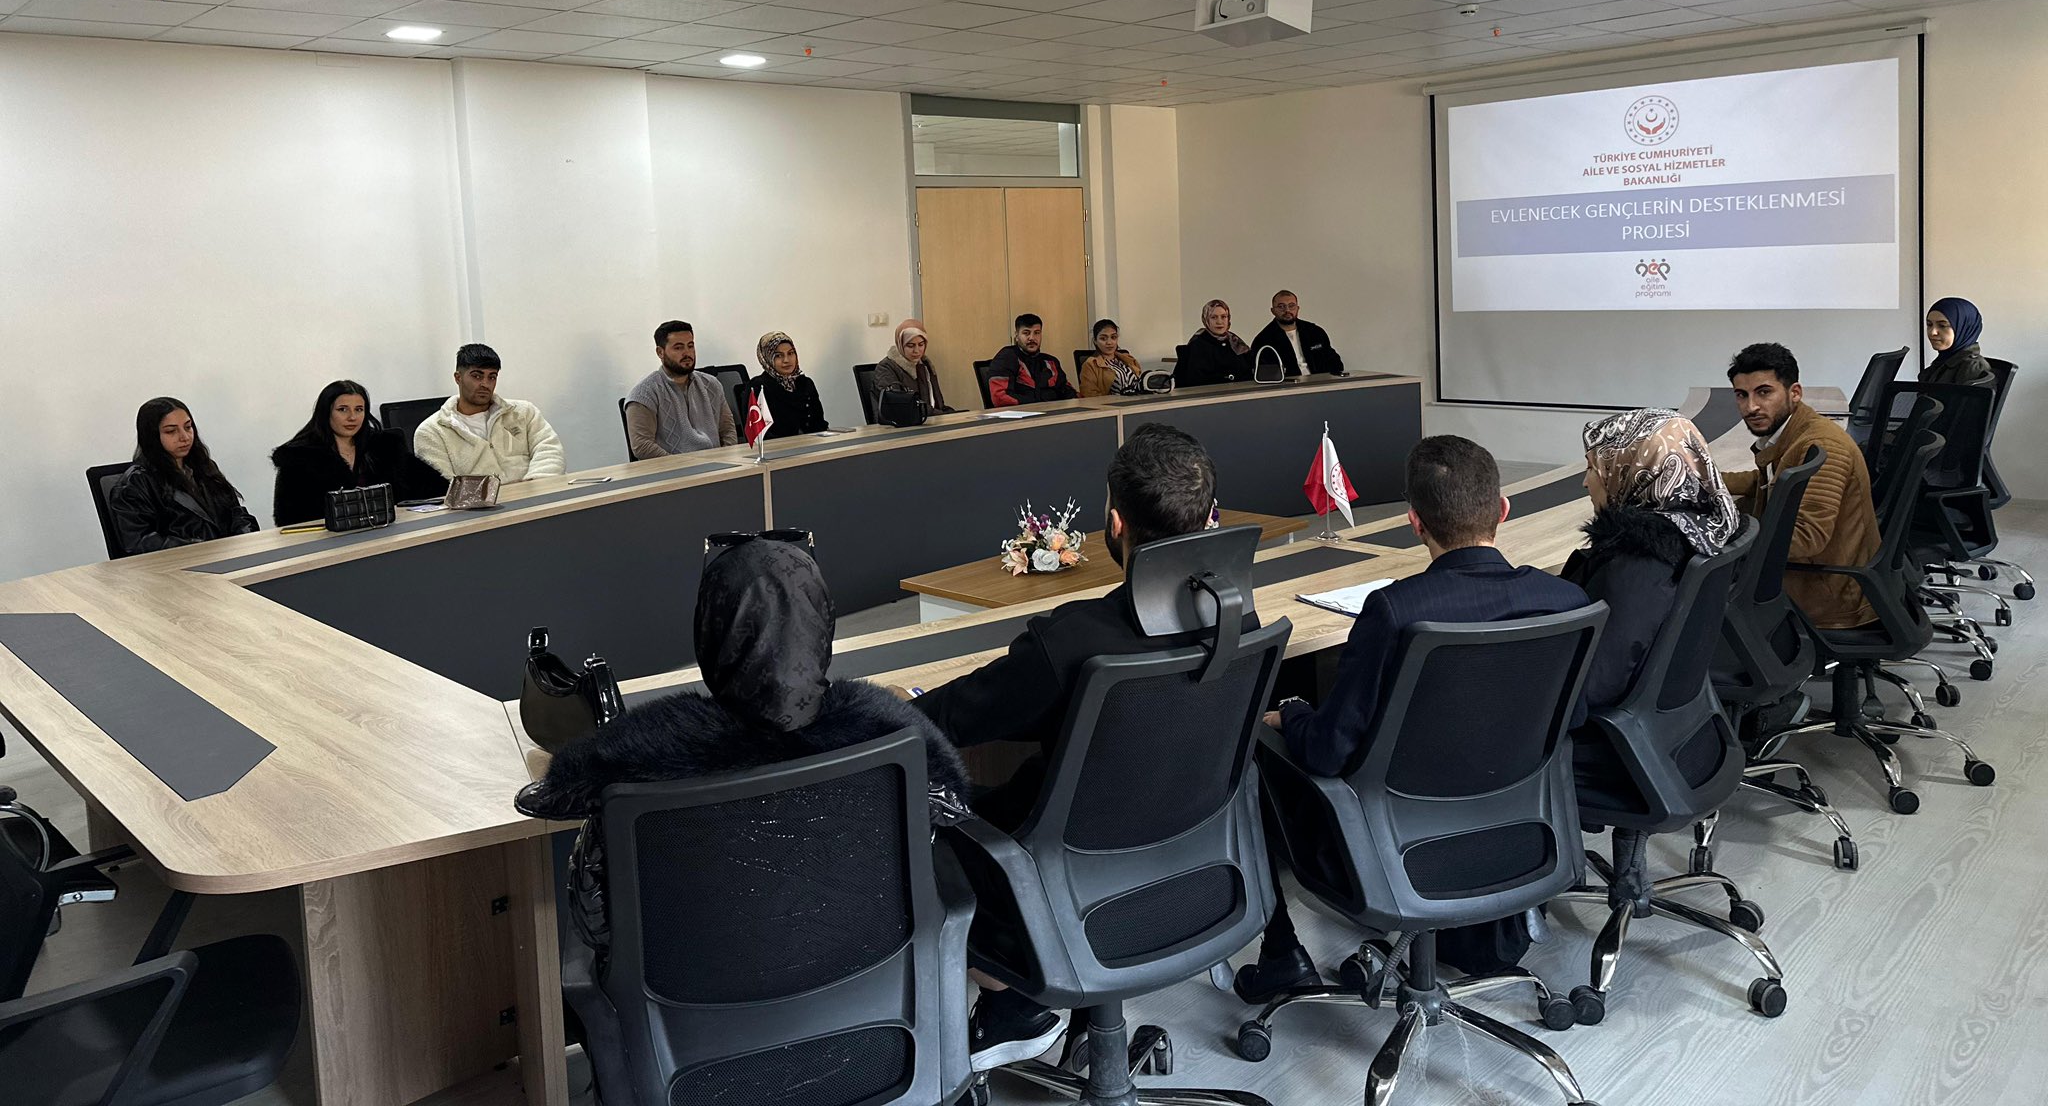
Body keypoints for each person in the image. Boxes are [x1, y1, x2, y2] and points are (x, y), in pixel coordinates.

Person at [914, 423, 1237, 1064]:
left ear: (1114, 524)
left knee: (914, 821)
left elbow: (949, 720)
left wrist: (894, 705)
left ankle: (1014, 1003)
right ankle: (1038, 1011)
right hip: (1194, 878)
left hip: (1060, 894)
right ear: (1211, 518)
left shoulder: (1069, 643)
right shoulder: (1238, 619)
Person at [1234, 436, 1590, 1001]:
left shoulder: (1396, 610)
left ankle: (1280, 954)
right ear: (1502, 510)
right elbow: (1575, 716)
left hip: (1395, 853)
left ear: (1415, 522)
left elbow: (1327, 751)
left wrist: (1296, 712)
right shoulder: (1567, 601)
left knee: (1256, 741)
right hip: (1522, 837)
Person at [513, 537, 969, 967]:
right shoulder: (888, 728)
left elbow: (545, 799)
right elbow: (952, 802)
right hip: (865, 979)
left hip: (684, 996)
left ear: (710, 634)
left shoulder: (642, 748)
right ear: (822, 626)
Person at [1565, 408, 1742, 710]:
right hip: (1676, 708)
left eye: (1593, 467)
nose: (1585, 482)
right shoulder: (1704, 531)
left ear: (1626, 469)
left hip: (1609, 719)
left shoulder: (1637, 564)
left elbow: (1597, 685)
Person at [1721, 342, 1878, 630]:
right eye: (1742, 395)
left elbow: (1807, 537)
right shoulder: (1796, 432)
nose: (1751, 407)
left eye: (1764, 392)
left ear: (1794, 393)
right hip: (1815, 578)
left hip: (1828, 596)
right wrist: (1708, 479)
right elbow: (1768, 481)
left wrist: (1724, 531)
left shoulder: (1823, 446)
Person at [270, 380, 448, 526]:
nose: (352, 417)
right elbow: (287, 519)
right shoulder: (299, 457)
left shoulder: (385, 447)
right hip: (329, 542)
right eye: (342, 409)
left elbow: (436, 488)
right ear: (326, 413)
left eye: (359, 409)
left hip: (388, 533)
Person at [106, 397, 261, 554]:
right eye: (171, 431)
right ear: (151, 435)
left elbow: (237, 514)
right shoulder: (136, 483)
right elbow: (138, 542)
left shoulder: (204, 466)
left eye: (188, 427)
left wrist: (244, 540)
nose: (185, 437)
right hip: (182, 564)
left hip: (225, 557)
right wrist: (201, 548)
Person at [413, 343, 565, 483]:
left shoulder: (523, 412)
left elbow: (550, 450)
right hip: (480, 504)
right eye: (477, 376)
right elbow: (443, 488)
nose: (485, 384)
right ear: (458, 378)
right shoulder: (432, 432)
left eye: (492, 377)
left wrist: (536, 489)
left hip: (537, 497)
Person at [627, 321, 738, 457]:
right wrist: (682, 465)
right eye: (678, 348)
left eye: (690, 346)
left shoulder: (711, 384)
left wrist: (728, 458)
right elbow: (642, 445)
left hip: (718, 463)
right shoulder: (644, 394)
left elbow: (728, 430)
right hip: (674, 467)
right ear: (660, 352)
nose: (687, 353)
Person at [746, 331, 829, 438]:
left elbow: (819, 423)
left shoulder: (805, 383)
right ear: (767, 358)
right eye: (778, 356)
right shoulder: (758, 387)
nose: (786, 360)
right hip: (778, 447)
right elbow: (757, 433)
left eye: (790, 353)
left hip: (812, 444)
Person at [1247, 290, 1344, 378]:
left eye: (1291, 305)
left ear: (1297, 308)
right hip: (1287, 387)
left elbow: (1334, 361)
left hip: (1320, 383)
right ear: (1273, 311)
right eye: (1281, 306)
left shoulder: (1315, 332)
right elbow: (1265, 374)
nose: (1287, 310)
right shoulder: (1263, 340)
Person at [987, 312, 1076, 406]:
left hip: (1052, 411)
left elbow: (1067, 391)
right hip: (1022, 413)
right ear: (1016, 336)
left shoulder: (1051, 362)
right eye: (1026, 333)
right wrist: (1040, 404)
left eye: (1037, 333)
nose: (1032, 338)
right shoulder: (1006, 358)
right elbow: (999, 397)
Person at [872, 319, 950, 413]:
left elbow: (938, 404)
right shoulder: (886, 368)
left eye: (921, 344)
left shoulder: (925, 364)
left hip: (930, 417)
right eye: (910, 345)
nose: (916, 351)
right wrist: (939, 415)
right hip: (904, 421)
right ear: (900, 344)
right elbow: (901, 407)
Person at [1172, 299, 1252, 388]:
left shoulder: (1234, 340)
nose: (1219, 322)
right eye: (1214, 317)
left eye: (1223, 317)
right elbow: (1197, 380)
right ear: (1206, 320)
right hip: (1211, 393)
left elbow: (1249, 369)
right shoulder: (1198, 344)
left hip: (1240, 391)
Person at [1923, 297, 1994, 388]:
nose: (1932, 332)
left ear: (1964, 328)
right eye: (1929, 324)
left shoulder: (1972, 368)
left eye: (1942, 326)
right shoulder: (1945, 360)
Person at [1078, 318, 1145, 397]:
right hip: (1112, 403)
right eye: (1103, 338)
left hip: (1139, 401)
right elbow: (1089, 395)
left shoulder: (1129, 359)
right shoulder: (1090, 365)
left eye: (1113, 337)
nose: (1109, 342)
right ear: (1095, 341)